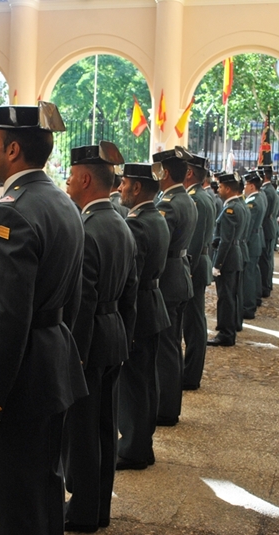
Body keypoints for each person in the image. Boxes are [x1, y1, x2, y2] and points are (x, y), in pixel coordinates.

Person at [0, 101, 87, 535]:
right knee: (43, 490)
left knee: (13, 505)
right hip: (51, 365)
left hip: (17, 382)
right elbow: (70, 302)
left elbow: (6, 319)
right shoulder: (62, 201)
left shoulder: (11, 211)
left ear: (14, 149)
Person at [62, 141, 137, 533]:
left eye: (72, 176)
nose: (68, 182)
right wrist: (125, 337)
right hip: (113, 339)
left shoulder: (89, 228)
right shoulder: (121, 223)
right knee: (105, 428)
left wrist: (74, 356)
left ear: (86, 178)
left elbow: (83, 304)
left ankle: (84, 511)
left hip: (90, 344)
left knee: (84, 431)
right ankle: (100, 506)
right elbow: (130, 293)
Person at [116, 163, 170, 471]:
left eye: (124, 183)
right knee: (147, 380)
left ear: (137, 188)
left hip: (139, 309)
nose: (120, 188)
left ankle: (133, 448)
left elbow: (130, 278)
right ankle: (142, 444)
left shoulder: (136, 223)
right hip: (153, 306)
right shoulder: (156, 217)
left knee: (134, 384)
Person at [153, 146, 197, 427]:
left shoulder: (167, 203)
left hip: (168, 279)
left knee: (166, 347)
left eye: (158, 170)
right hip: (180, 275)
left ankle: (166, 409)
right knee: (172, 344)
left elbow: (159, 245)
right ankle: (169, 404)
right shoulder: (185, 198)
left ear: (165, 172)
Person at [182, 155, 216, 389]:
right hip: (199, 263)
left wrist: (188, 271)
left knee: (194, 324)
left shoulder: (196, 199)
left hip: (195, 265)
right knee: (194, 322)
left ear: (190, 173)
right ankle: (190, 371)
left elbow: (193, 243)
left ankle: (191, 375)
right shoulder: (201, 196)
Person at [206, 172, 245, 347]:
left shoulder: (231, 209)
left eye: (221, 186)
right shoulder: (240, 205)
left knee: (226, 298)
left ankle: (225, 333)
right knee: (231, 296)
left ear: (228, 189)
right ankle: (230, 328)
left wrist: (217, 264)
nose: (219, 189)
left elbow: (226, 240)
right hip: (236, 255)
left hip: (228, 259)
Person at [241, 170, 267, 320]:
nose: (244, 187)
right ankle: (255, 299)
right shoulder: (259, 197)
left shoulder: (252, 202)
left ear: (251, 186)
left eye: (246, 185)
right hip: (257, 239)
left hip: (251, 242)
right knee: (254, 272)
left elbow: (248, 227)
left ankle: (248, 307)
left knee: (248, 276)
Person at [257, 164, 279, 298]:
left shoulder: (266, 191)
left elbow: (264, 213)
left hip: (266, 227)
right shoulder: (271, 189)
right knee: (268, 259)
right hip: (270, 227)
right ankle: (267, 285)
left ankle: (265, 287)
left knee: (265, 259)